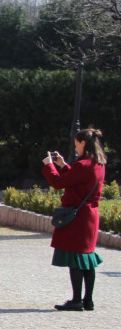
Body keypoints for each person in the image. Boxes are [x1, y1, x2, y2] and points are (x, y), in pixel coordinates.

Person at [41, 127, 107, 311]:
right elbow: (78, 181)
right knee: (87, 258)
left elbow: (59, 183)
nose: (75, 147)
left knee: (76, 259)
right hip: (90, 216)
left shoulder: (83, 164)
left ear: (83, 143)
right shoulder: (98, 164)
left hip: (78, 217)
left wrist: (49, 165)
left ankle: (77, 300)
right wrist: (63, 165)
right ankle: (88, 300)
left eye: (77, 143)